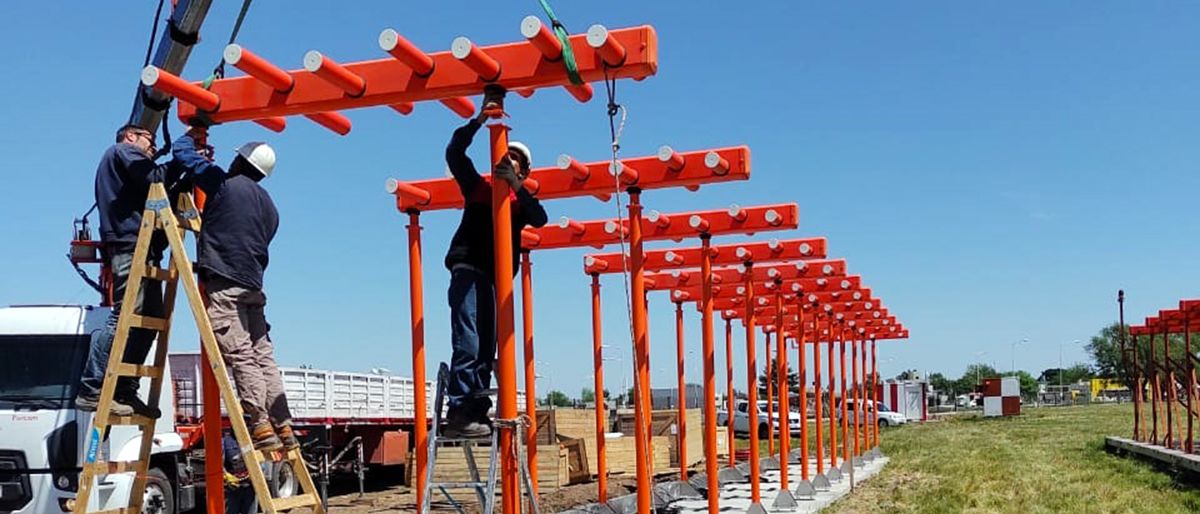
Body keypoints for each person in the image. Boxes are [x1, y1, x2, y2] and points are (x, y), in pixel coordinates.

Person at [172, 133, 297, 451]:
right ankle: (282, 425)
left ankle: (260, 424)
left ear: (241, 161)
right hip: (253, 286)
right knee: (263, 357)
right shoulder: (270, 207)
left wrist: (193, 136)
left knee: (241, 356)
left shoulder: (225, 183)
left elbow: (182, 154)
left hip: (226, 286)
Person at [76, 124, 209, 418]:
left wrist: (187, 169)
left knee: (149, 320)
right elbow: (156, 177)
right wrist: (184, 153)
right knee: (124, 316)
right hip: (129, 245)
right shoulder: (121, 152)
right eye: (149, 140)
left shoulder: (125, 161)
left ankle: (124, 389)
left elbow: (161, 185)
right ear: (130, 136)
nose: (152, 147)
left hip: (143, 246)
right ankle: (92, 389)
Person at [443, 91, 548, 438]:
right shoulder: (478, 188)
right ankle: (459, 409)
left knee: (486, 350)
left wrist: (517, 186)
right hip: (469, 271)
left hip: (494, 280)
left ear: (525, 171)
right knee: (470, 342)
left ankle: (475, 411)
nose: (511, 160)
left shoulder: (518, 202)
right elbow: (454, 153)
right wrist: (479, 121)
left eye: (517, 160)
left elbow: (541, 218)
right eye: (508, 155)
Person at [222, 431, 259, 514]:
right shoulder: (225, 442)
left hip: (250, 485)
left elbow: (260, 461)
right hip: (233, 487)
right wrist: (226, 475)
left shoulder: (251, 440)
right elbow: (220, 462)